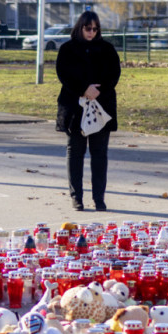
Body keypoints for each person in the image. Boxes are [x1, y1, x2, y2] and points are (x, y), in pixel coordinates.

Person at [55, 11, 120, 212]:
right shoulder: (67, 49)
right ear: (80, 27)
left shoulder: (107, 49)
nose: (91, 32)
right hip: (75, 108)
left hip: (101, 108)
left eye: (95, 29)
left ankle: (99, 198)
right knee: (75, 153)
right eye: (88, 28)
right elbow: (63, 74)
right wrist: (84, 88)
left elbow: (114, 74)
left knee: (99, 154)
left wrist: (97, 91)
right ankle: (77, 197)